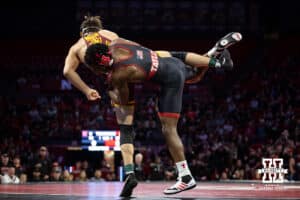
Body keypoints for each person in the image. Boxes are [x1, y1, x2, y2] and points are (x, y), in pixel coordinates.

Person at [63, 15, 241, 197]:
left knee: (126, 126)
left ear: (82, 32)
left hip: (119, 75)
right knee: (183, 67)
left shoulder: (77, 48)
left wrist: (87, 90)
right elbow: (138, 48)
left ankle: (130, 173)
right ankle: (215, 60)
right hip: (143, 60)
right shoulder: (110, 36)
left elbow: (67, 71)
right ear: (97, 28)